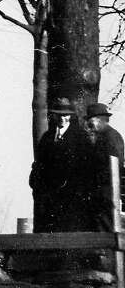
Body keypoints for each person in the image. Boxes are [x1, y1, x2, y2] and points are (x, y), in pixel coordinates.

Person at [29, 98, 97, 232]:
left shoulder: (80, 138)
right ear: (54, 115)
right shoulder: (47, 137)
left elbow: (85, 170)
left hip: (70, 198)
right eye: (59, 114)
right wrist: (36, 184)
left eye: (65, 115)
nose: (62, 118)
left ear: (70, 116)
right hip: (49, 197)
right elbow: (39, 165)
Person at [87, 103, 125, 232]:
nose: (89, 125)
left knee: (107, 229)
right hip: (102, 193)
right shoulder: (102, 137)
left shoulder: (111, 137)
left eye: (91, 121)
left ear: (100, 120)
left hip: (107, 193)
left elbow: (114, 166)